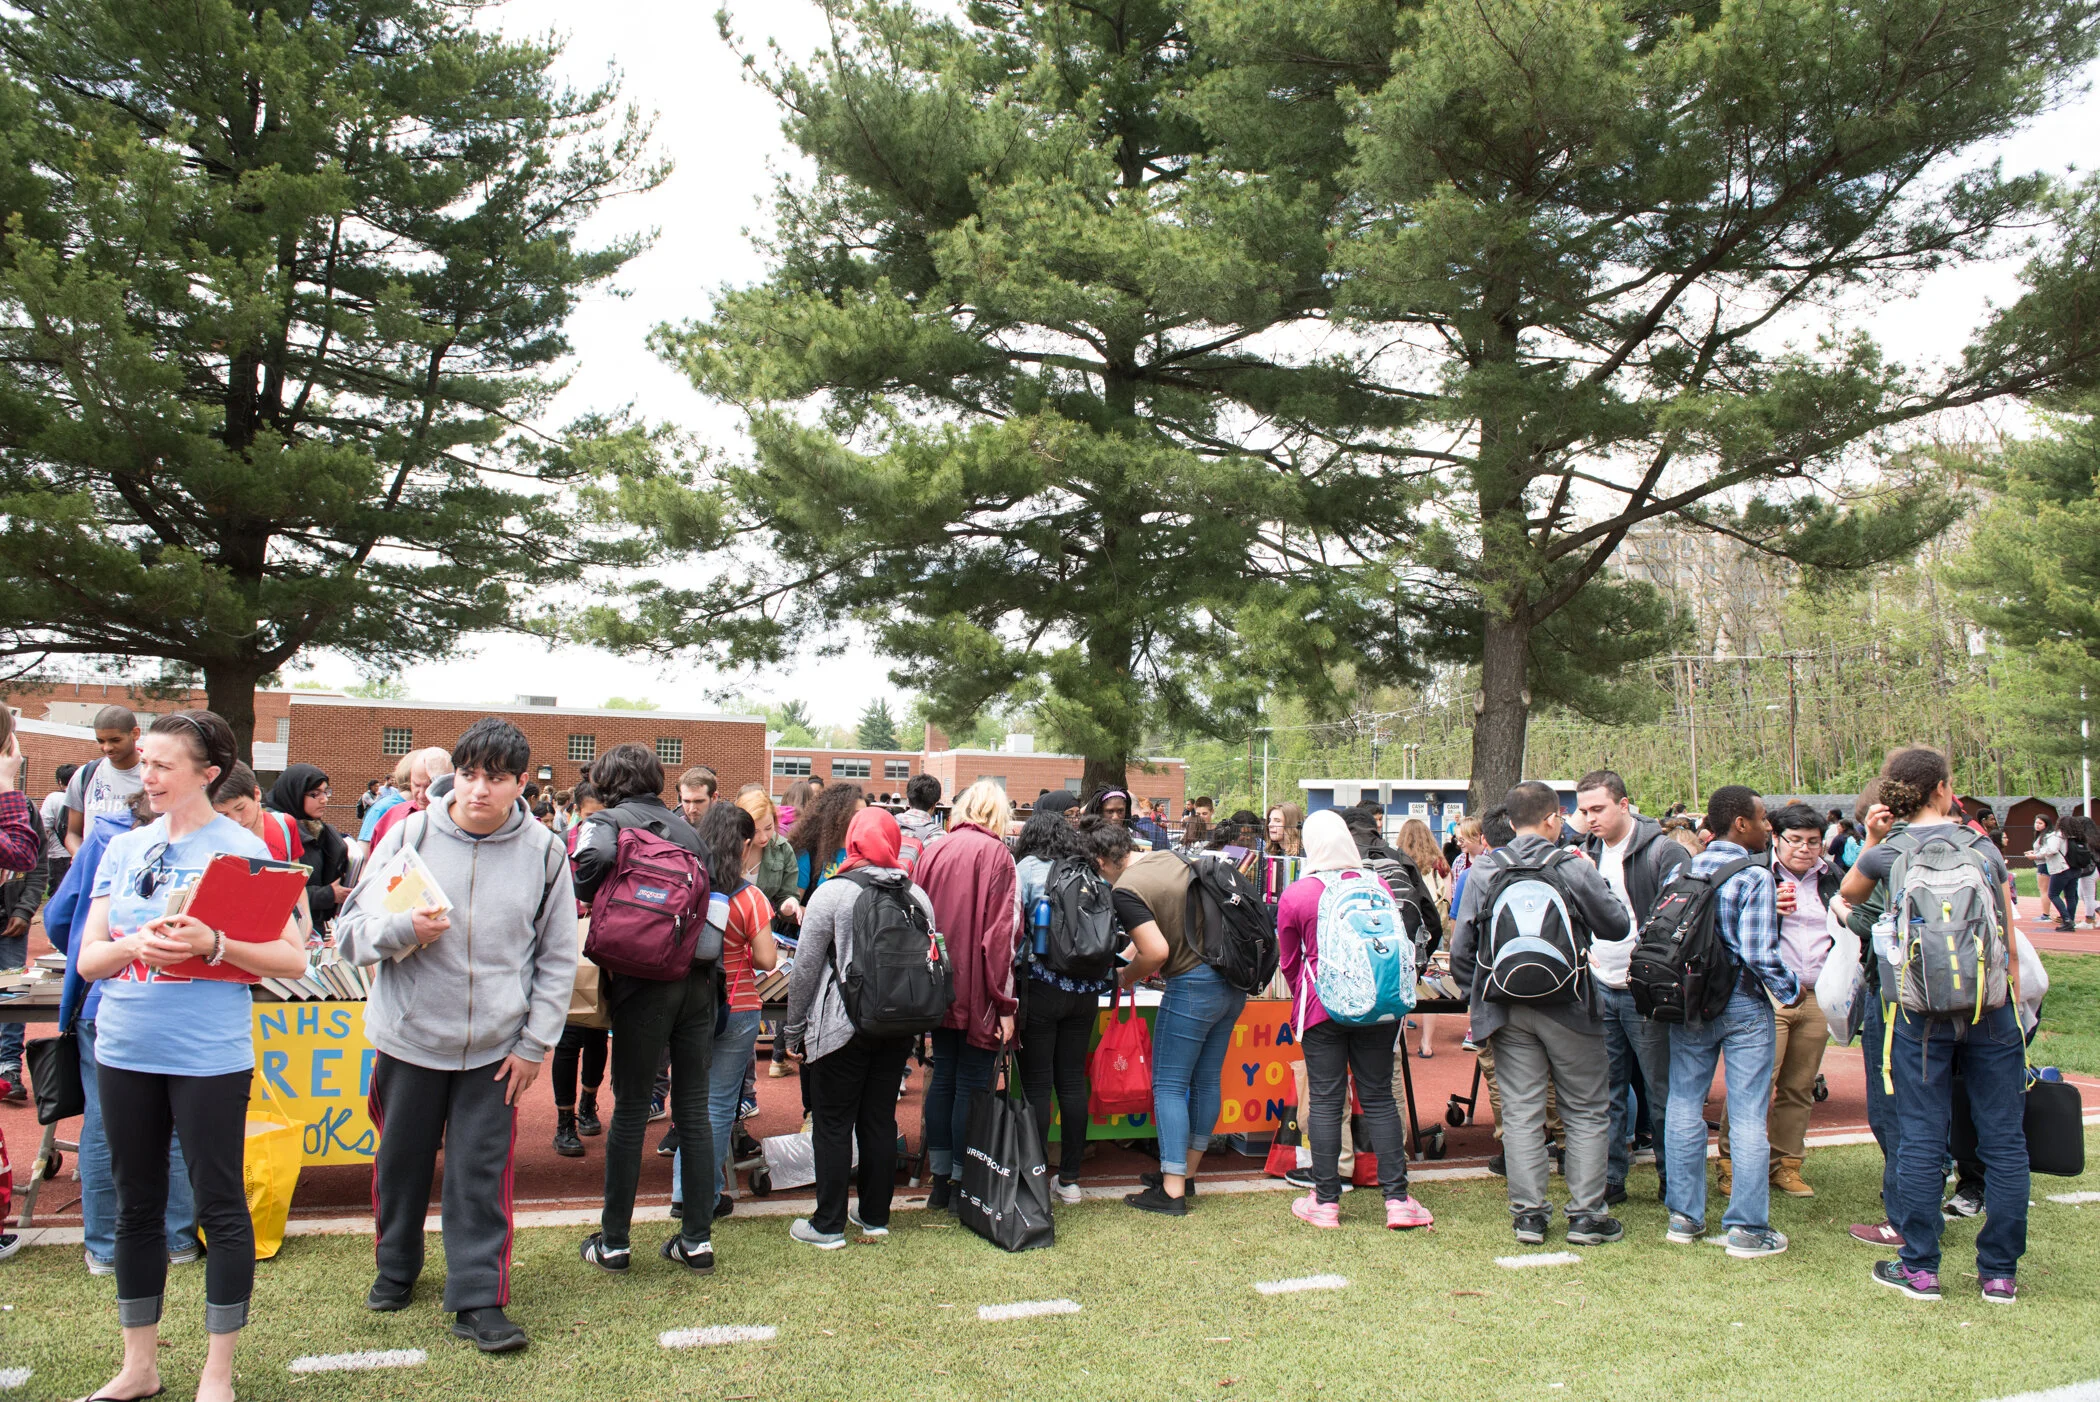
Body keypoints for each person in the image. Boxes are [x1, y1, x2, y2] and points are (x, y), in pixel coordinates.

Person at [74, 710, 312, 1402]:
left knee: (221, 1206)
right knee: (136, 1208)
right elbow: (89, 959)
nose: (144, 775)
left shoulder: (246, 849)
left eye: (160, 764)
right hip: (124, 1047)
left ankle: (217, 1375)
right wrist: (131, 947)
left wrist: (214, 945)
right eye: (142, 762)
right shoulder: (121, 846)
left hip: (209, 1054)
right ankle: (138, 1367)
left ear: (206, 773)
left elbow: (293, 959)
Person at [337, 718, 577, 1353]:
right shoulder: (410, 833)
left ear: (521, 783)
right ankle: (396, 1266)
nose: (478, 790)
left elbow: (556, 959)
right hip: (409, 1039)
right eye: (469, 775)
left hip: (496, 1052)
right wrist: (402, 930)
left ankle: (477, 1298)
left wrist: (534, 1043)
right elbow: (349, 933)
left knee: (480, 1172)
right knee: (401, 1160)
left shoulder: (547, 853)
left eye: (495, 779)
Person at [1837, 747, 2025, 1303]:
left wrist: (1873, 842)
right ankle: (1999, 1274)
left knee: (1919, 1136)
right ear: (1943, 788)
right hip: (1991, 1009)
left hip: (1916, 1012)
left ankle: (1920, 1267)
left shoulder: (1890, 851)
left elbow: (1848, 896)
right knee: (2004, 1141)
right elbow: (2007, 936)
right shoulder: (1982, 846)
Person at [1450, 781, 1633, 1247]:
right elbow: (1616, 925)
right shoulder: (1571, 865)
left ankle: (1529, 1215)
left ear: (1509, 823)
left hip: (1505, 1010)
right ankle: (1587, 1215)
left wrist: (1488, 994)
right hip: (1570, 1004)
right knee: (1587, 1110)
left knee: (1521, 1111)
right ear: (1555, 818)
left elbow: (1461, 954)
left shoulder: (1485, 868)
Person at [565, 742, 719, 1276]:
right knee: (693, 1109)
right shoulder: (689, 831)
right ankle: (696, 1239)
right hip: (697, 979)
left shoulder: (606, 821)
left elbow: (590, 866)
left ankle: (614, 1241)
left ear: (607, 781)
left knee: (631, 1107)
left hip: (642, 980)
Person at [44, 786, 203, 1277]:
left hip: (111, 997)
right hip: (138, 994)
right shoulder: (126, 845)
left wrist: (84, 947)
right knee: (161, 1120)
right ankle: (172, 1239)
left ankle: (110, 1246)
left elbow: (59, 916)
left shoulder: (104, 842)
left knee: (105, 1120)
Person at [1276, 809, 1435, 1230]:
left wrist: (1312, 993)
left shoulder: (1298, 893)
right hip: (1378, 1007)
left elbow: (1290, 963)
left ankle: (1325, 1201)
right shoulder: (1376, 883)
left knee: (1327, 1099)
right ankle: (1398, 1199)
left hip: (1321, 1010)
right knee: (1379, 1095)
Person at [781, 807, 932, 1247]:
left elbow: (806, 968)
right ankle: (875, 1216)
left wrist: (793, 1030)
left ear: (853, 841)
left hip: (840, 1024)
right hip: (896, 1024)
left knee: (832, 1122)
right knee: (879, 1119)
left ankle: (828, 1223)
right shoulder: (916, 896)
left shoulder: (833, 893)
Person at [1662, 784, 1798, 1259]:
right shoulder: (1753, 875)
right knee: (1745, 1115)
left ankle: (1683, 1216)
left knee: (1683, 1104)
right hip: (1740, 1002)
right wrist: (1790, 991)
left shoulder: (1683, 869)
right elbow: (1759, 952)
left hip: (1690, 1002)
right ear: (1740, 823)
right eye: (1762, 819)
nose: (1767, 827)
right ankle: (1746, 1227)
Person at [1573, 769, 1689, 1207]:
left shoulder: (1664, 850)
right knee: (1607, 1093)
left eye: (1598, 809)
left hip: (1647, 990)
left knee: (1661, 1092)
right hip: (1600, 984)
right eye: (1584, 811)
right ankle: (1611, 1180)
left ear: (1624, 804)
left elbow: (1677, 918)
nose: (1590, 819)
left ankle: (1672, 1179)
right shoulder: (1584, 850)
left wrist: (1646, 966)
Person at [1713, 803, 1837, 1200]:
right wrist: (1770, 909)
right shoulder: (1756, 875)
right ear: (1776, 839)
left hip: (1818, 993)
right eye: (1796, 840)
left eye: (1813, 842)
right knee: (1754, 1083)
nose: (1805, 849)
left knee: (1800, 1086)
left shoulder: (1832, 877)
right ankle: (1731, 1165)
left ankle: (1787, 1164)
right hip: (1767, 994)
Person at [671, 802, 778, 1222]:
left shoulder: (687, 883)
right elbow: (768, 959)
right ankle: (703, 1193)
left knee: (688, 1104)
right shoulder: (750, 897)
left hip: (686, 1006)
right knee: (716, 1108)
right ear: (746, 843)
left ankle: (684, 1191)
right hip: (737, 1004)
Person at [916, 780, 1020, 1209]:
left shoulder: (933, 849)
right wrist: (1005, 1004)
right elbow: (1001, 939)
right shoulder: (998, 855)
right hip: (976, 987)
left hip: (935, 985)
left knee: (944, 1079)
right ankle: (961, 1182)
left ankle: (942, 1182)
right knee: (972, 1085)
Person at [1014, 812, 1125, 1204]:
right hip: (1086, 991)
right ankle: (1072, 1178)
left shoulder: (1026, 868)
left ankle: (1037, 1175)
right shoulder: (1088, 870)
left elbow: (1014, 928)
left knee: (1038, 1085)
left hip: (1042, 986)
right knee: (1073, 1082)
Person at [1109, 833, 1218, 1216]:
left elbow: (1155, 951)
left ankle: (1172, 1191)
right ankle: (1185, 1174)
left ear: (1103, 861)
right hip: (1230, 980)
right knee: (1206, 1080)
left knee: (1169, 1084)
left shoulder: (1125, 888)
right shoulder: (1167, 858)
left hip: (1191, 984)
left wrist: (1125, 978)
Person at [213, 765, 313, 938]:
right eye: (224, 814)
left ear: (256, 794)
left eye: (240, 808)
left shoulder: (284, 824)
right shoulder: (219, 838)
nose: (236, 819)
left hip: (282, 926)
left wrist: (306, 918)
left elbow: (295, 878)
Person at [267, 763, 352, 930]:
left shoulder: (316, 828)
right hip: (287, 929)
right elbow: (275, 891)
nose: (324, 799)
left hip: (314, 926)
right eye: (315, 794)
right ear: (295, 794)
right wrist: (328, 895)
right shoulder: (275, 830)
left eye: (326, 792)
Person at [64, 704, 145, 854]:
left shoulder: (154, 777)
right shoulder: (85, 775)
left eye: (115, 740)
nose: (107, 747)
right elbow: (73, 834)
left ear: (135, 733)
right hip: (93, 873)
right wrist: (80, 857)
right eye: (101, 741)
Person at [368, 745, 455, 846]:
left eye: (430, 787)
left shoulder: (465, 823)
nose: (422, 795)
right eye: (416, 785)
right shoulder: (392, 816)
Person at [2030, 811, 2075, 931]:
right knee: (2070, 895)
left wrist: (2036, 855)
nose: (2037, 825)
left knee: (2052, 893)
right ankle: (2070, 919)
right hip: (2070, 867)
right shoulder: (2071, 836)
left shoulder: (2053, 836)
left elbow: (2052, 850)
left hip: (2056, 867)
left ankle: (2065, 919)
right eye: (2036, 822)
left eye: (2040, 823)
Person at [39, 762, 74, 898]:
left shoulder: (53, 798)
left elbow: (44, 829)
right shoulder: (84, 797)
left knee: (57, 893)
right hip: (80, 853)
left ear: (60, 781)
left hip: (58, 855)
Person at [897, 772, 943, 872]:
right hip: (915, 886)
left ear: (908, 800)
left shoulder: (887, 824)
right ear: (934, 805)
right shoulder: (939, 836)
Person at [360, 758, 410, 842]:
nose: (393, 781)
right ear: (387, 780)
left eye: (394, 780)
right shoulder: (380, 790)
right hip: (378, 815)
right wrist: (378, 796)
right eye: (391, 780)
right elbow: (373, 804)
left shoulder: (395, 791)